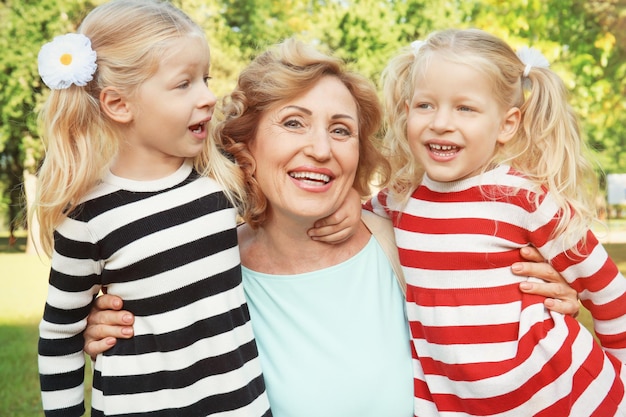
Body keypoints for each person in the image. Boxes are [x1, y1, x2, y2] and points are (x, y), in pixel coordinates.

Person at [83, 38, 582, 417]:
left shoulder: (407, 243)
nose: (321, 149)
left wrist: (559, 289)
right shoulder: (206, 268)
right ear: (245, 145)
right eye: (294, 123)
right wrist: (117, 318)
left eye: (341, 130)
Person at [365, 28, 626, 415]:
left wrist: (621, 372)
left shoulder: (524, 198)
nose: (440, 122)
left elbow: (605, 289)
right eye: (425, 105)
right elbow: (354, 220)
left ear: (507, 124)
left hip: (563, 394)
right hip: (456, 401)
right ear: (406, 113)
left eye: (464, 108)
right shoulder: (401, 198)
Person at [33, 1, 271, 416]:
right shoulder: (87, 219)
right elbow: (59, 338)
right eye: (184, 84)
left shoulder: (221, 183)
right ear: (119, 104)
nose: (209, 96)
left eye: (206, 78)